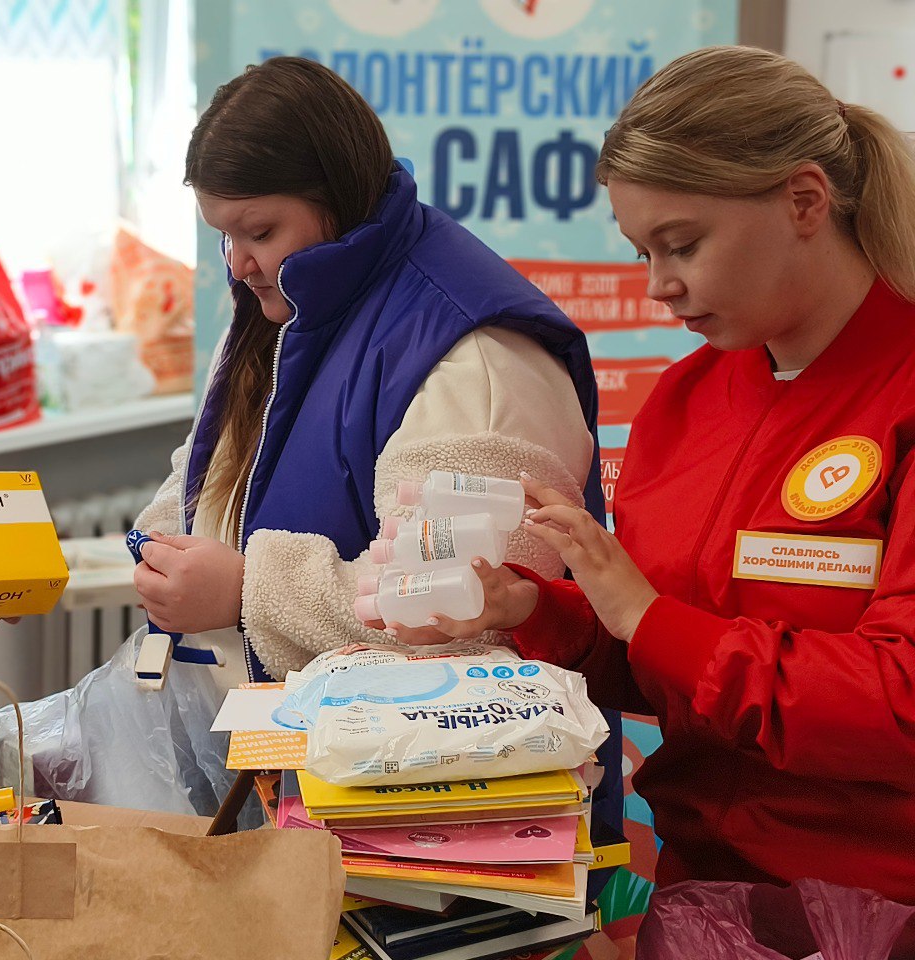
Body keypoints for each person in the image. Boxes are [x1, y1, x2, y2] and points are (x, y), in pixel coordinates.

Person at [417, 45, 915, 905]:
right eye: (642, 250)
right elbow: (660, 658)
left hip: (872, 906)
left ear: (804, 200)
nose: (659, 287)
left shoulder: (899, 393)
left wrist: (647, 616)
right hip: (706, 893)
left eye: (681, 245)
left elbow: (898, 708)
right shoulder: (688, 398)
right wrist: (547, 614)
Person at [129, 56, 622, 830]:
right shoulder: (287, 300)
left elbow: (471, 614)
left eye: (259, 231)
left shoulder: (476, 357)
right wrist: (166, 541)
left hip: (443, 829)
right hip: (306, 782)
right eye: (223, 235)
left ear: (338, 197)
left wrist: (244, 589)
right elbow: (220, 463)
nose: (238, 262)